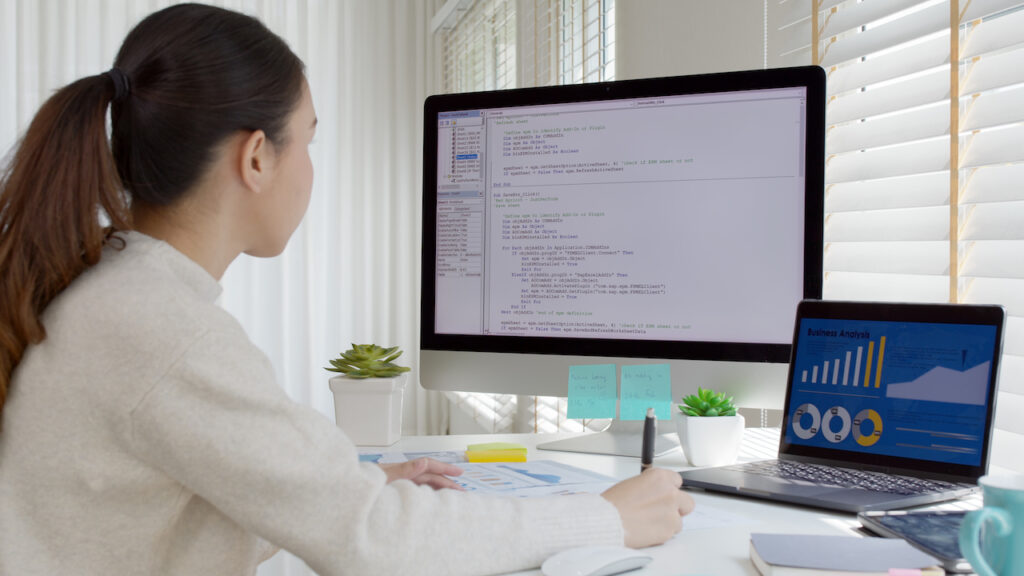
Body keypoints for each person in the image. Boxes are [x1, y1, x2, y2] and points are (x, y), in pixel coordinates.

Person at [0, 4, 695, 575]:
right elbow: (379, 548)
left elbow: (150, 518)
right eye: (308, 139)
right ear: (256, 157)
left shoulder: (113, 290)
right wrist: (609, 516)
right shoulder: (162, 329)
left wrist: (354, 491)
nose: (310, 166)